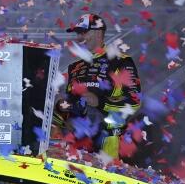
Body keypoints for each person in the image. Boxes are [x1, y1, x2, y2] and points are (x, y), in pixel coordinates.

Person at [60, 14, 142, 161]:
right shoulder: (74, 67)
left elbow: (134, 101)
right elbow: (71, 104)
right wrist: (62, 111)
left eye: (83, 32)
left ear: (98, 33)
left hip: (108, 144)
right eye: (77, 33)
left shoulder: (120, 62)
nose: (79, 38)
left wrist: (100, 102)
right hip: (77, 145)